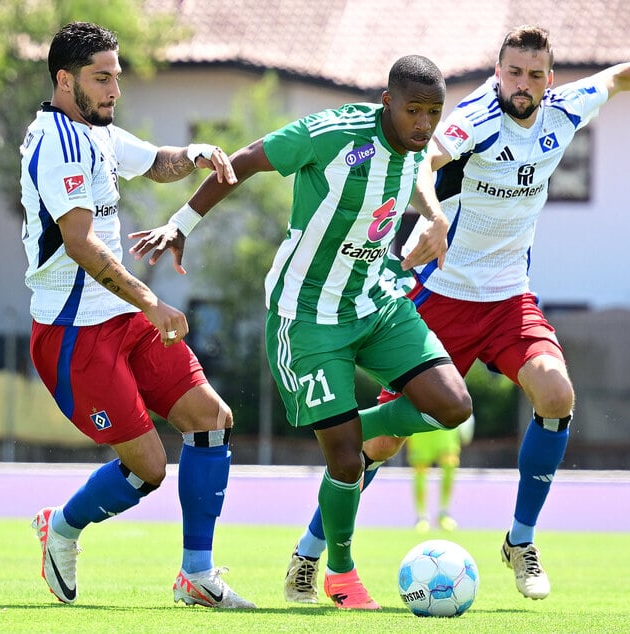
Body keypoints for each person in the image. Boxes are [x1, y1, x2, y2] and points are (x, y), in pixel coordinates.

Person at [280, 25, 630, 603]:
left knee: (556, 394)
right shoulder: (476, 118)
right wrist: (432, 219)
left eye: (535, 74)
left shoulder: (563, 112)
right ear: (497, 73)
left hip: (510, 299)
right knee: (383, 445)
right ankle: (311, 553)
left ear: (549, 79)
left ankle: (521, 540)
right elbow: (425, 159)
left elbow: (621, 75)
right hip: (442, 299)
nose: (523, 84)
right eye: (513, 72)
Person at [128, 55, 474, 610]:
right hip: (306, 314)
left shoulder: (414, 146)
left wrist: (432, 217)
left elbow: (418, 174)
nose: (424, 124)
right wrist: (180, 222)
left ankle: (345, 426)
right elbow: (243, 160)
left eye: (433, 113)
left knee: (453, 406)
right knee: (344, 461)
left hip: (375, 299)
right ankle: (336, 572)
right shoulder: (334, 133)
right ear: (387, 102)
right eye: (414, 111)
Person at [19, 21, 255, 609]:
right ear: (64, 79)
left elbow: (155, 162)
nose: (113, 90)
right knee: (148, 468)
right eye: (102, 78)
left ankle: (196, 576)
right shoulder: (57, 142)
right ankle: (63, 528)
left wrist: (196, 153)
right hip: (73, 333)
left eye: (116, 78)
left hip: (123, 320)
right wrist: (151, 301)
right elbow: (79, 242)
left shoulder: (95, 133)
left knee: (210, 417)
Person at [407, 415, 473, 533]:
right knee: (420, 470)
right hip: (420, 420)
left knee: (450, 464)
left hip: (445, 419)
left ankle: (443, 513)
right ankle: (422, 517)